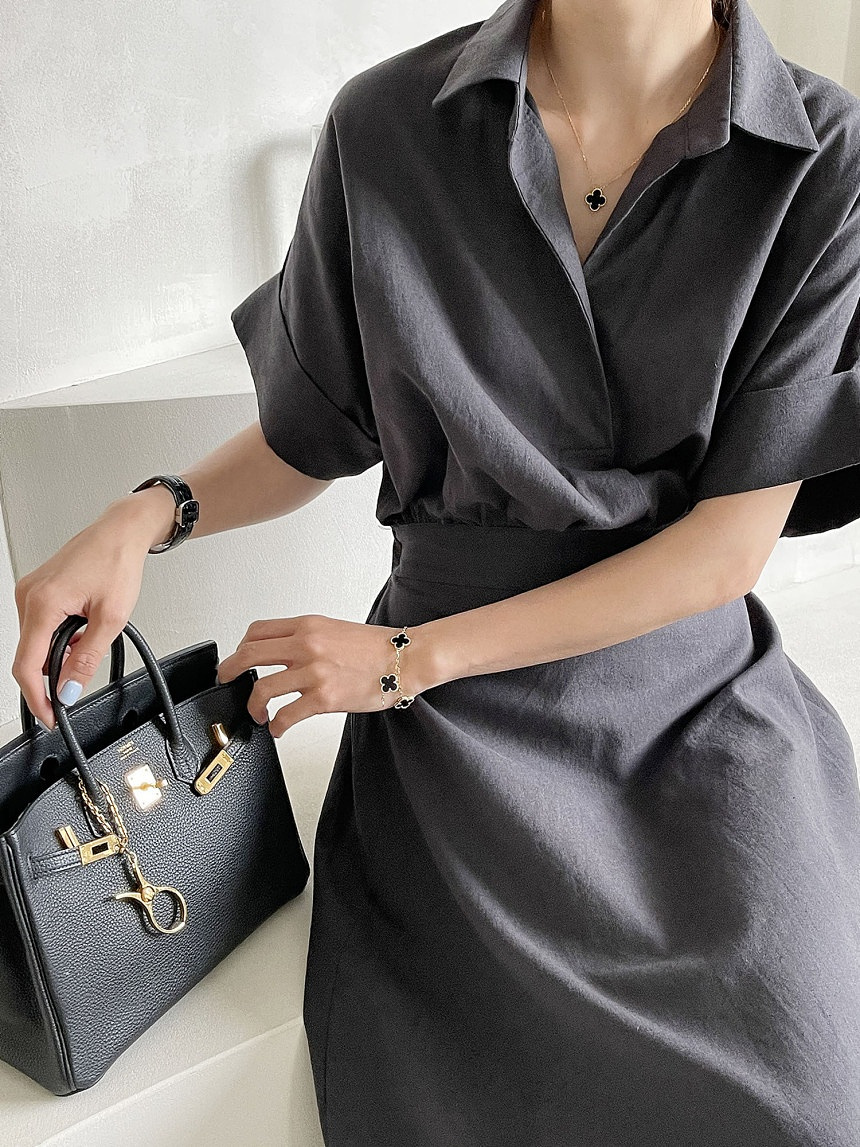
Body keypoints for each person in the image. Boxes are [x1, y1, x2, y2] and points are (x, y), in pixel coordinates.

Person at [12, 0, 860, 1141]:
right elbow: (312, 427)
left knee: (804, 1086)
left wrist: (407, 658)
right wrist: (148, 513)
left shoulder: (820, 156)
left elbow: (724, 550)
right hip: (460, 736)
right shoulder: (386, 126)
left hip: (683, 699)